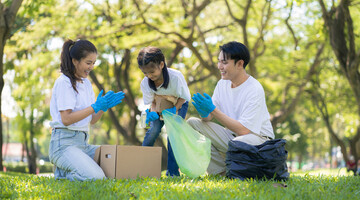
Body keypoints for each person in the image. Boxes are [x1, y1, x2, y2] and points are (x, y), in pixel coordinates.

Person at [188, 41, 274, 176]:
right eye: (219, 61)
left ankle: (237, 171)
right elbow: (209, 117)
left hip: (258, 141)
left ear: (240, 64)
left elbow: (244, 130)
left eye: (224, 62)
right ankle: (221, 172)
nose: (219, 66)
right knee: (192, 123)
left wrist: (213, 110)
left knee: (237, 142)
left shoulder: (254, 88)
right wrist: (204, 113)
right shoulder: (222, 84)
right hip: (234, 138)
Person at [49, 39, 125, 181]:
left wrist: (103, 107)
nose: (91, 67)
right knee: (96, 178)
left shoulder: (86, 83)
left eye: (93, 63)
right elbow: (66, 119)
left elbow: (92, 120)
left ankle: (69, 168)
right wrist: (94, 107)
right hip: (63, 145)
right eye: (88, 63)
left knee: (116, 162)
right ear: (75, 61)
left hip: (83, 143)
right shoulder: (64, 82)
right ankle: (63, 175)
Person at [137, 46, 191, 176]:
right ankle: (139, 167)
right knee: (153, 131)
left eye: (152, 72)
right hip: (159, 102)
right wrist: (154, 113)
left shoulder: (175, 77)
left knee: (173, 135)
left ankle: (172, 172)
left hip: (179, 102)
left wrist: (174, 110)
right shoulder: (146, 83)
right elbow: (153, 101)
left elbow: (184, 97)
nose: (149, 76)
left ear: (161, 64)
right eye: (145, 73)